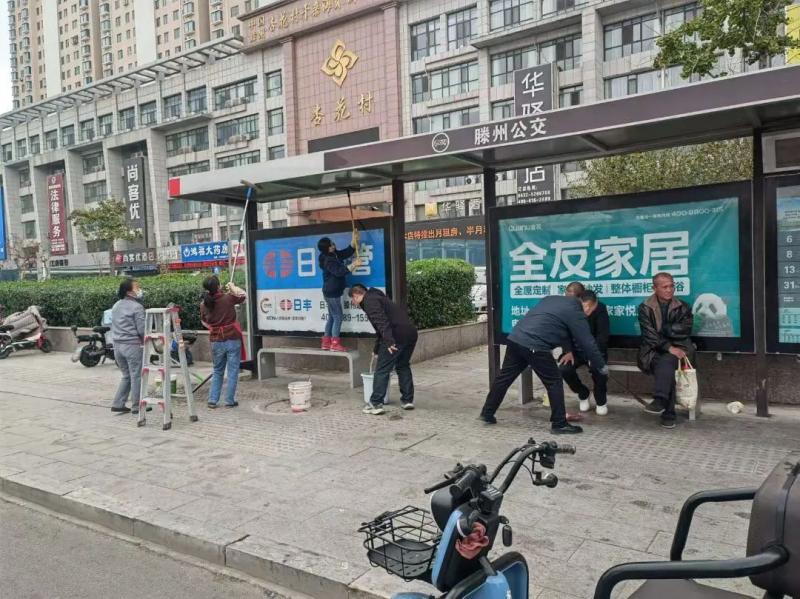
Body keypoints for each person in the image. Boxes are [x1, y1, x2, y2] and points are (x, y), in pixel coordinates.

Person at [479, 295, 608, 434]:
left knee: (504, 378)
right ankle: (559, 424)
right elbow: (587, 342)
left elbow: (555, 325)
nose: (589, 314)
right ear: (587, 306)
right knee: (554, 381)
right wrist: (601, 366)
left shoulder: (552, 299)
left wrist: (569, 350)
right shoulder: (575, 312)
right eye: (591, 311)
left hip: (516, 338)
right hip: (535, 344)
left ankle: (487, 412)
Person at [349, 284, 418, 415]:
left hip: (395, 336)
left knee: (382, 370)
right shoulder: (377, 297)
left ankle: (375, 403)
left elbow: (382, 322)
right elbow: (380, 328)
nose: (353, 302)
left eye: (352, 299)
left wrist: (390, 341)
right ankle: (407, 400)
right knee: (403, 365)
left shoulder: (369, 301)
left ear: (356, 296)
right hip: (410, 333)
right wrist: (376, 349)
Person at [637, 272, 694, 429]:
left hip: (680, 349)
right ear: (655, 288)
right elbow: (650, 336)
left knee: (667, 362)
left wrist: (664, 330)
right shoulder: (645, 308)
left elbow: (685, 330)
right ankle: (668, 413)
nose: (669, 290)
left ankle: (660, 400)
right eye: (665, 287)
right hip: (652, 351)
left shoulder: (683, 307)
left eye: (671, 286)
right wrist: (668, 346)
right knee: (665, 365)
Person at [559, 289, 610, 415]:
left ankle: (601, 401)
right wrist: (568, 351)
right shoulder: (572, 309)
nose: (586, 310)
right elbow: (564, 332)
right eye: (584, 306)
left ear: (595, 303)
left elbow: (602, 336)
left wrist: (594, 355)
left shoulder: (601, 309)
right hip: (575, 351)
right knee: (564, 369)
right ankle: (583, 393)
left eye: (589, 307)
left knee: (599, 370)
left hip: (595, 350)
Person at [200, 275, 247, 409]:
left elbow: (204, 321)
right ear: (218, 286)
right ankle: (229, 400)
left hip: (216, 340)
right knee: (232, 371)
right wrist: (233, 287)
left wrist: (214, 327)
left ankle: (212, 400)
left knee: (217, 371)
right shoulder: (228, 298)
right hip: (232, 338)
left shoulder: (204, 304)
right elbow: (244, 295)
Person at [318, 232, 362, 352]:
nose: (334, 244)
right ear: (328, 248)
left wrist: (353, 242)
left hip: (330, 291)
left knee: (332, 316)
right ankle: (335, 343)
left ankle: (326, 342)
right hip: (332, 292)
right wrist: (353, 265)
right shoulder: (328, 260)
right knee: (338, 316)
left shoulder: (333, 254)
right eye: (331, 244)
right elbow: (339, 271)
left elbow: (344, 253)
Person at [110, 278, 145, 415]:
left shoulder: (116, 305)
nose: (139, 290)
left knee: (126, 375)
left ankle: (118, 403)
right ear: (129, 292)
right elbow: (142, 330)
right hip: (132, 346)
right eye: (137, 288)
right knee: (136, 376)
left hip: (117, 346)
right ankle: (137, 406)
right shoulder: (137, 307)